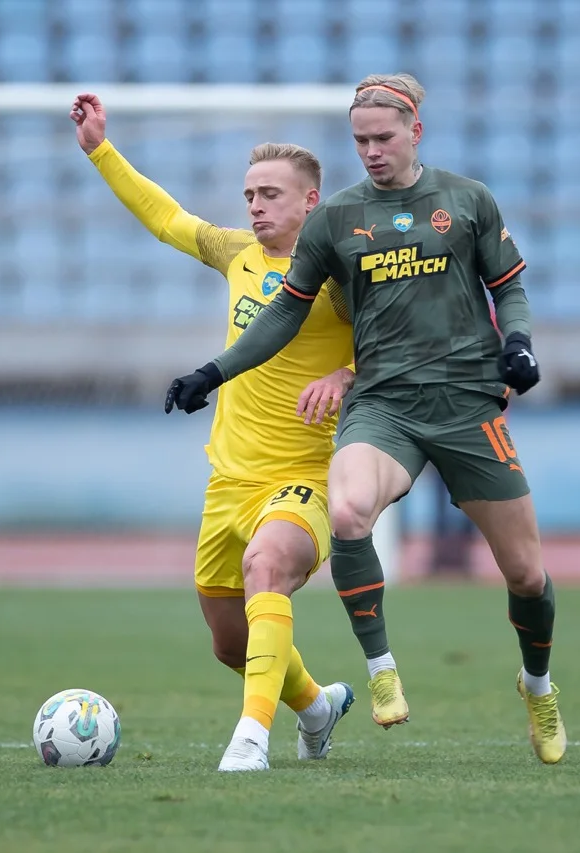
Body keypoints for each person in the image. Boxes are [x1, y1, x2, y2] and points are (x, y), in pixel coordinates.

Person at [164, 74, 566, 765]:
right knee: (348, 511)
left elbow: (510, 289)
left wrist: (520, 343)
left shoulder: (467, 200)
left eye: (383, 138)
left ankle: (538, 685)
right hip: (384, 405)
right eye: (360, 141)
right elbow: (284, 312)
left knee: (527, 574)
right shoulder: (337, 219)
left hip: (465, 403)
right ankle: (381, 672)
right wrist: (215, 370)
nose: (372, 151)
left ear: (415, 132)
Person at [72, 93, 357, 771]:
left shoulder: (343, 277)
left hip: (307, 474)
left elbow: (400, 344)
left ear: (311, 200)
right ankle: (316, 708)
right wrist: (100, 150)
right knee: (231, 643)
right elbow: (167, 219)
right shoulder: (237, 253)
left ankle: (250, 738)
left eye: (270, 195)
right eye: (249, 195)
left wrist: (346, 373)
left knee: (268, 566)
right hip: (230, 480)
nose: (255, 207)